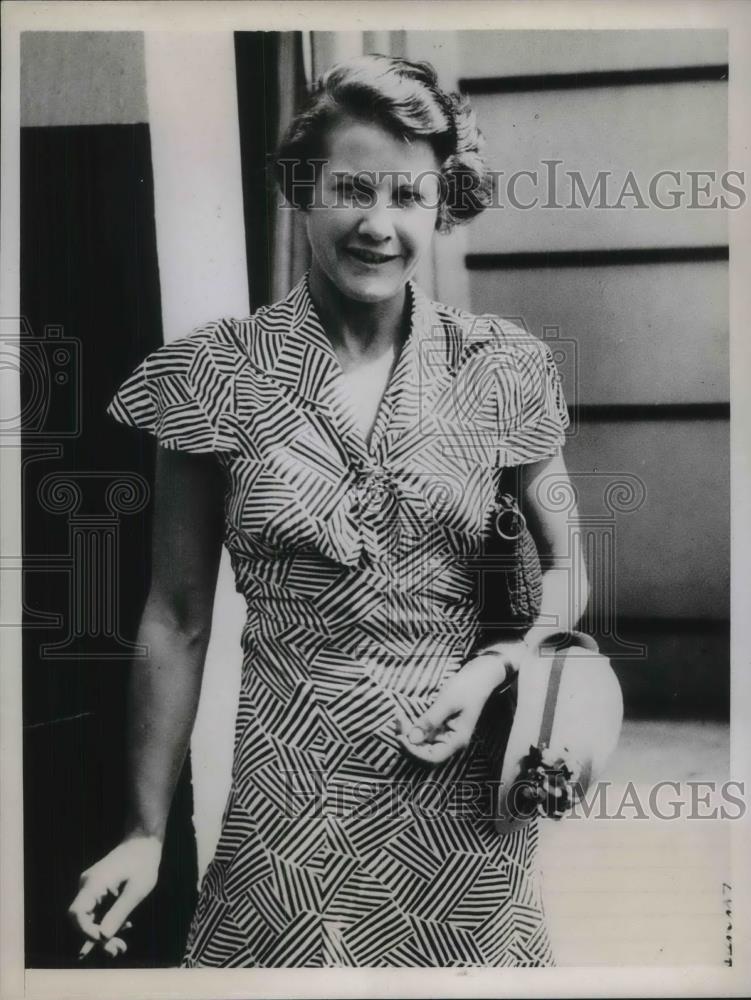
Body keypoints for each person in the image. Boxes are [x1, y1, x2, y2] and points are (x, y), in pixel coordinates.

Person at [69, 53, 588, 968]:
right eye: (350, 189)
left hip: (461, 802)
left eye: (408, 197)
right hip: (287, 799)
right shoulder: (213, 372)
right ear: (301, 191)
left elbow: (565, 573)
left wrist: (494, 671)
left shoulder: (502, 365)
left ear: (441, 205)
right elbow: (177, 617)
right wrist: (145, 831)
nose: (377, 225)